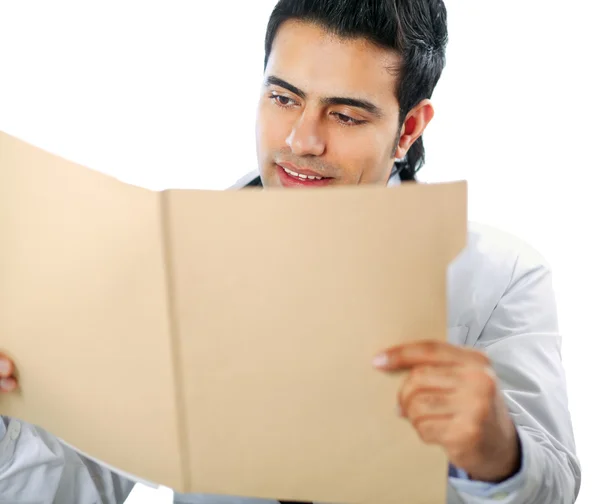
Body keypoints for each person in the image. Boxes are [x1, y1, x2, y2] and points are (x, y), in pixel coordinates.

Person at [0, 0, 581, 503]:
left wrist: (497, 453)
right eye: (283, 98)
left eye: (346, 114)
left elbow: (554, 486)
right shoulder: (158, 262)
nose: (302, 141)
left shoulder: (502, 276)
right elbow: (62, 488)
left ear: (409, 129)